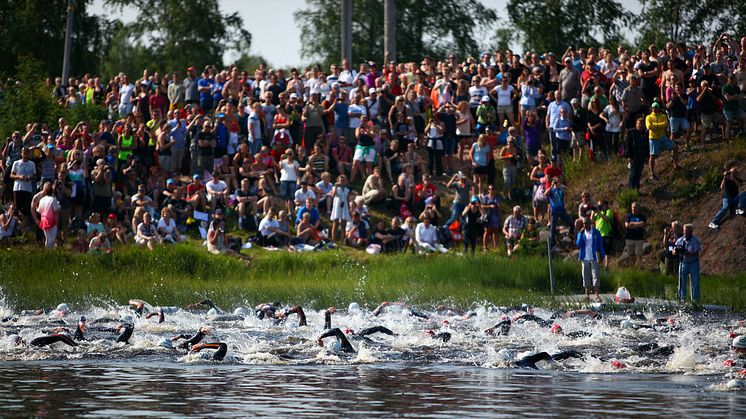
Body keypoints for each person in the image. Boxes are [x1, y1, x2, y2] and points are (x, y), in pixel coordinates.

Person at [645, 102, 680, 180]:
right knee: (653, 156)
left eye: (656, 107)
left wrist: (655, 125)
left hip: (662, 137)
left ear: (658, 108)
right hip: (653, 138)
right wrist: (659, 125)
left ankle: (676, 165)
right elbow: (649, 127)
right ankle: (652, 173)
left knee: (674, 147)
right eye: (653, 107)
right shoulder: (648, 117)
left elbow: (665, 125)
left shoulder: (663, 116)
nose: (654, 109)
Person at [576, 217, 605, 302]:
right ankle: (587, 295)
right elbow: (578, 244)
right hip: (584, 258)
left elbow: (600, 245)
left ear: (590, 223)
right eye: (584, 224)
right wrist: (580, 235)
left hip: (594, 257)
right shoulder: (581, 233)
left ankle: (597, 295)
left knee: (595, 276)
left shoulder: (596, 232)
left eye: (587, 223)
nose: (585, 225)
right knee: (586, 277)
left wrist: (602, 256)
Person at [673, 223, 701, 302]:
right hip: (683, 263)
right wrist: (676, 251)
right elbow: (673, 250)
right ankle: (682, 299)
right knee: (682, 282)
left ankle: (695, 300)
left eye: (687, 231)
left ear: (691, 231)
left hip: (693, 263)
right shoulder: (680, 240)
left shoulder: (695, 240)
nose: (685, 232)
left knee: (695, 282)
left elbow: (696, 252)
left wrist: (686, 252)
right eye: (684, 231)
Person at [544, 177, 574, 248]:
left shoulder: (561, 189)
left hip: (562, 210)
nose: (557, 184)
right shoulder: (551, 190)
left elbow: (567, 192)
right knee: (553, 227)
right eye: (555, 182)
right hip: (554, 211)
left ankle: (570, 235)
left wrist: (561, 186)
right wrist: (551, 186)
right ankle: (552, 243)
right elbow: (545, 194)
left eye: (557, 182)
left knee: (571, 223)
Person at [625, 117, 649, 190]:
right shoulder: (631, 132)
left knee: (639, 174)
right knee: (633, 173)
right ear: (636, 124)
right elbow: (628, 145)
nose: (640, 125)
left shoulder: (645, 133)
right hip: (633, 156)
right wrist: (629, 156)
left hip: (641, 156)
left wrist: (647, 156)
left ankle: (637, 189)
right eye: (639, 124)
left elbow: (647, 146)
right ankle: (630, 190)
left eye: (642, 124)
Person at [36, 181, 61, 248]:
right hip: (52, 221)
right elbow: (56, 210)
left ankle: (47, 251)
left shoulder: (42, 200)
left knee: (47, 238)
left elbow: (39, 210)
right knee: (52, 238)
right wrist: (59, 207)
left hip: (44, 221)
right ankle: (49, 252)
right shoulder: (53, 199)